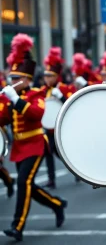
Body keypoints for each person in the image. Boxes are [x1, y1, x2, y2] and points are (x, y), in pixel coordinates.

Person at [0, 34, 67, 241]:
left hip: (36, 144)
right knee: (28, 185)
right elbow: (2, 120)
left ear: (27, 80)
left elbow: (37, 115)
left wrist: (14, 100)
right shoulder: (9, 97)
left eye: (16, 79)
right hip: (19, 147)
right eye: (11, 78)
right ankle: (57, 205)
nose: (12, 82)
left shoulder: (35, 94)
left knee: (23, 182)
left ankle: (17, 226)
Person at [40, 47, 76, 189]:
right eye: (45, 75)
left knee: (60, 153)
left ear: (56, 76)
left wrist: (61, 97)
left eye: (50, 76)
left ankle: (76, 169)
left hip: (61, 128)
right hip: (47, 130)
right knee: (48, 153)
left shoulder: (65, 89)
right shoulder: (42, 91)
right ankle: (51, 179)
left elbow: (72, 105)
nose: (47, 78)